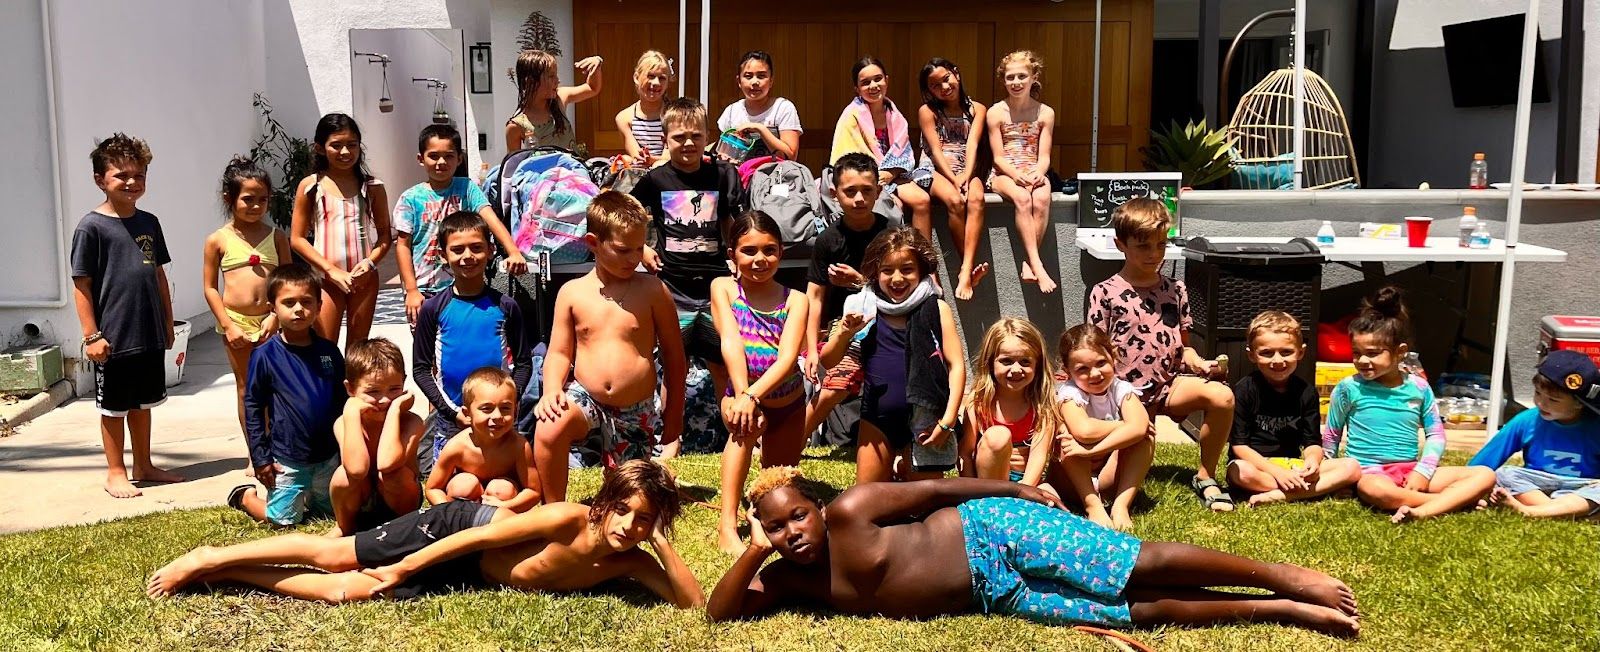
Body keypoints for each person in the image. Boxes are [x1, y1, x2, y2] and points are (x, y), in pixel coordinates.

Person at [707, 467, 1360, 638]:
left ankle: (1284, 575)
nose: (792, 531)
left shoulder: (851, 512)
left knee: (1134, 564)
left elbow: (934, 488)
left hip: (992, 531)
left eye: (797, 515)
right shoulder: (792, 581)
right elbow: (719, 616)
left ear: (817, 509)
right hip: (995, 589)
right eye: (777, 527)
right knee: (1128, 612)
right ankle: (1283, 608)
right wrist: (751, 554)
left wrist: (1014, 486)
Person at [149, 460, 702, 608]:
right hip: (459, 528)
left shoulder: (632, 560)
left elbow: (693, 604)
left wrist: (659, 540)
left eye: (645, 520)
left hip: (474, 578)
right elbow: (476, 541)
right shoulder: (568, 518)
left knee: (352, 592)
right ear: (604, 504)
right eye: (625, 511)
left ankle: (227, 573)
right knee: (340, 557)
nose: (629, 527)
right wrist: (404, 565)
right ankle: (211, 553)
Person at [533, 192, 686, 503]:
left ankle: (639, 477)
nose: (633, 258)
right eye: (622, 250)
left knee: (632, 500)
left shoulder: (654, 291)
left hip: (635, 409)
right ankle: (553, 511)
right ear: (593, 243)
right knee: (550, 427)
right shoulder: (572, 292)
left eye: (639, 249)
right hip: (586, 398)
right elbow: (559, 353)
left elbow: (675, 358)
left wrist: (673, 418)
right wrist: (551, 389)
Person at [1087, 197, 1235, 513]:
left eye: (1161, 244)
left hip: (1169, 386)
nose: (1154, 254)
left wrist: (1200, 364)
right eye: (1143, 246)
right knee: (1111, 489)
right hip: (1126, 397)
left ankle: (1206, 476)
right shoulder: (1104, 292)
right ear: (1120, 244)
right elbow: (1095, 350)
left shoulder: (1175, 289)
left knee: (1222, 397)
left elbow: (1184, 346)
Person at [1322, 287, 1496, 523]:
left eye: (1372, 353)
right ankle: (1450, 502)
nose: (1362, 360)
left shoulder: (1419, 388)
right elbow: (1332, 435)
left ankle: (1424, 508)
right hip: (1370, 474)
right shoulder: (1348, 388)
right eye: (1356, 353)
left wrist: (1422, 472)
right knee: (1374, 490)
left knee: (1485, 475)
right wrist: (1333, 478)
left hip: (1411, 470)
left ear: (1400, 352)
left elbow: (1436, 435)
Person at [70, 133, 182, 498]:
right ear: (100, 180)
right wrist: (91, 335)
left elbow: (159, 275)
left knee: (144, 403)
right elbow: (81, 285)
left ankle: (144, 464)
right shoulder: (91, 227)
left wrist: (168, 323)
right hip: (113, 337)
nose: (132, 182)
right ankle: (115, 471)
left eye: (139, 175)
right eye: (122, 175)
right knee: (115, 407)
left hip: (148, 332)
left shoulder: (149, 222)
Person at [629, 96, 742, 427]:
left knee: (723, 363)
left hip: (716, 286)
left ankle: (735, 429)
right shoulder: (656, 179)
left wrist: (735, 253)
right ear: (666, 140)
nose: (689, 143)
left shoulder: (724, 174)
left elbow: (733, 221)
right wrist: (642, 250)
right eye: (679, 137)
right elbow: (628, 216)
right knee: (674, 366)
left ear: (708, 137)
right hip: (672, 286)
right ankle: (671, 438)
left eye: (696, 135)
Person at [820, 228, 965, 484]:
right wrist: (844, 333)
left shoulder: (936, 308)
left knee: (926, 504)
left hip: (926, 418)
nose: (897, 278)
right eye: (887, 270)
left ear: (922, 271)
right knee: (869, 499)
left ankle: (907, 470)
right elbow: (829, 361)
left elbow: (956, 366)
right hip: (878, 418)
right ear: (875, 272)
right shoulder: (863, 308)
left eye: (907, 269)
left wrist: (948, 420)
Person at [710, 211, 810, 554]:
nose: (759, 259)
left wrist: (753, 394)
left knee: (776, 484)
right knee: (746, 425)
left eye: (769, 250)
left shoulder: (796, 299)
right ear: (732, 255)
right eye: (749, 251)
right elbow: (731, 342)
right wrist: (744, 396)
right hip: (740, 395)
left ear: (781, 253)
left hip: (788, 401)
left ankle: (762, 519)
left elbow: (787, 358)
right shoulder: (724, 288)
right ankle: (726, 525)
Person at [412, 212, 533, 477]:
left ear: (490, 251)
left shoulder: (506, 306)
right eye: (457, 249)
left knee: (501, 489)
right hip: (452, 422)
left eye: (477, 248)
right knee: (458, 490)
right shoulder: (433, 309)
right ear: (443, 255)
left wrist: (509, 402)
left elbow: (524, 363)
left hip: (497, 422)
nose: (467, 256)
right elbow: (421, 369)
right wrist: (450, 412)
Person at [228, 264, 345, 526]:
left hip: (328, 457)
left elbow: (343, 402)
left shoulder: (329, 352)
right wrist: (260, 457)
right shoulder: (264, 355)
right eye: (288, 302)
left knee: (329, 514)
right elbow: (254, 407)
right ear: (273, 307)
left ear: (318, 305)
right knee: (283, 521)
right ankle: (246, 498)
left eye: (306, 302)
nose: (298, 309)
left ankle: (312, 496)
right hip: (287, 458)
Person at [800, 153, 899, 440]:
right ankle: (791, 446)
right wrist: (813, 349)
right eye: (850, 191)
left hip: (890, 324)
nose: (859, 199)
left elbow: (906, 288)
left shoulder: (891, 235)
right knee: (834, 386)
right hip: (845, 329)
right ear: (834, 194)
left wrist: (859, 281)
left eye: (867, 191)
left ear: (879, 192)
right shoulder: (828, 240)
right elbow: (814, 298)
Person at [202, 156, 291, 474]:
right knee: (247, 388)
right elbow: (211, 288)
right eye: (247, 199)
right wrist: (227, 326)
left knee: (276, 387)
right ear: (230, 198)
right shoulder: (218, 240)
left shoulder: (277, 237)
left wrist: (276, 317)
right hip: (236, 323)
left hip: (270, 321)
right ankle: (256, 453)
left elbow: (287, 284)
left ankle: (279, 447)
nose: (256, 206)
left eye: (262, 200)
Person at [394, 124, 526, 325]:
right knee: (428, 348)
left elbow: (490, 219)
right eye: (434, 156)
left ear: (459, 158)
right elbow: (403, 246)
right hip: (424, 288)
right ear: (421, 159)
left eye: (448, 156)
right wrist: (411, 290)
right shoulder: (410, 198)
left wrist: (513, 251)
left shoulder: (466, 188)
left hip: (464, 286)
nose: (441, 162)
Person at [1227, 311, 1361, 507]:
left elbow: (1312, 442)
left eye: (1286, 352)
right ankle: (1312, 490)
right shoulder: (1243, 390)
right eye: (1266, 353)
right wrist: (1277, 472)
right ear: (1251, 355)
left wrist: (1313, 462)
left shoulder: (1306, 392)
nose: (1278, 360)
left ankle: (1282, 494)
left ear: (1301, 352)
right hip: (1257, 465)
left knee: (1352, 467)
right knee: (1239, 472)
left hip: (1291, 464)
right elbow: (1239, 446)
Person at [289, 113, 391, 352]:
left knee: (358, 347)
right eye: (336, 145)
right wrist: (330, 271)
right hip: (325, 279)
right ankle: (327, 390)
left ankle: (353, 389)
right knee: (324, 346)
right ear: (320, 148)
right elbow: (297, 239)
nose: (345, 152)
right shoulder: (311, 186)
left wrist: (370, 264)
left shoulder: (373, 187)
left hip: (363, 279)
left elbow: (385, 235)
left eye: (352, 145)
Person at [1474, 349, 1600, 519]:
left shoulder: (1595, 425)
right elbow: (1481, 466)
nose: (1541, 403)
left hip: (1581, 487)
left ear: (1580, 404)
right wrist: (1470, 491)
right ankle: (1566, 512)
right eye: (1537, 393)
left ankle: (1532, 512)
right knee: (1504, 474)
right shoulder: (1527, 420)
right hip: (1535, 486)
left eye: (1553, 400)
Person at [1056, 324, 1155, 531]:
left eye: (1101, 363)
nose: (1095, 374)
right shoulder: (1070, 394)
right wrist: (1124, 425)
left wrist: (1092, 449)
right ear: (1067, 371)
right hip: (1073, 483)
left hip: (1108, 478)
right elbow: (1084, 430)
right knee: (1068, 438)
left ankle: (1120, 505)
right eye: (1082, 369)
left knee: (1145, 438)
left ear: (1113, 356)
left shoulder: (1120, 388)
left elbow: (1139, 429)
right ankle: (1093, 506)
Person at [327, 337, 425, 537]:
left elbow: (387, 464)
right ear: (350, 389)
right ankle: (345, 528)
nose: (385, 400)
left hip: (400, 504)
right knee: (342, 477)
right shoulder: (344, 422)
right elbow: (356, 469)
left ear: (404, 383)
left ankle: (403, 530)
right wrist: (352, 413)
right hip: (360, 500)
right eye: (373, 391)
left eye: (394, 390)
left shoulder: (412, 423)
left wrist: (395, 411)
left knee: (393, 475)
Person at [830, 56, 933, 240]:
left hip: (893, 174)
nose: (873, 86)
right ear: (857, 88)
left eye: (878, 79)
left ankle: (924, 261)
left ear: (887, 79)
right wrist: (877, 176)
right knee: (893, 205)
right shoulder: (851, 116)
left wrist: (891, 173)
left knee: (922, 200)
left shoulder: (894, 114)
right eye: (865, 82)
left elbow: (903, 152)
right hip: (865, 178)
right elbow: (847, 157)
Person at [915, 57, 989, 300]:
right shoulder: (928, 111)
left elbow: (973, 144)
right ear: (929, 91)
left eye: (946, 79)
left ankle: (966, 269)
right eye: (935, 85)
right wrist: (954, 179)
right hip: (936, 170)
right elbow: (935, 151)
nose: (944, 87)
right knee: (956, 202)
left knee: (977, 197)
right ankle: (966, 269)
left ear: (956, 74)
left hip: (967, 169)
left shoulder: (978, 109)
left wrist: (966, 176)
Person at [960, 319, 1061, 494]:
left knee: (1051, 496)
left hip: (1026, 481)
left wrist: (1023, 492)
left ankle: (1011, 506)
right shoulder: (978, 402)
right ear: (990, 362)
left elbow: (1038, 456)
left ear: (1038, 364)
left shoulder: (1041, 405)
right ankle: (994, 503)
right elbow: (965, 454)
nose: (1016, 369)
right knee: (998, 436)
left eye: (1025, 362)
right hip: (986, 482)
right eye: (1006, 361)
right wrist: (969, 493)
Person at [986, 50, 1058, 295]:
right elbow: (997, 156)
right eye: (1010, 78)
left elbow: (1044, 155)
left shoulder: (1045, 113)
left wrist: (1039, 172)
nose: (1015, 83)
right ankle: (1037, 263)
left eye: (1021, 76)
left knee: (1041, 197)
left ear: (1033, 77)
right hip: (1004, 174)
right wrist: (1015, 174)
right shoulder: (996, 112)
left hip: (1032, 169)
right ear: (1003, 80)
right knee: (1022, 198)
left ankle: (1029, 263)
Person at [425, 368, 540, 511]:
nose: (497, 416)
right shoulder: (457, 446)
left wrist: (504, 506)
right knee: (462, 487)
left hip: (503, 508)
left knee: (501, 489)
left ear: (515, 412)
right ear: (467, 414)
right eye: (487, 409)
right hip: (465, 508)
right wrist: (448, 511)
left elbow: (534, 491)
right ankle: (463, 526)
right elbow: (432, 488)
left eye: (505, 408)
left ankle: (500, 530)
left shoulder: (518, 446)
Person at [505, 50, 603, 152]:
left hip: (573, 167)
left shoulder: (559, 99)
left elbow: (592, 88)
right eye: (551, 76)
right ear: (530, 81)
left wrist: (596, 63)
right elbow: (513, 164)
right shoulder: (516, 126)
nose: (558, 80)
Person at [716, 50, 802, 161]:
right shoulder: (731, 112)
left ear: (771, 80)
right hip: (738, 176)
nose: (755, 82)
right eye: (748, 76)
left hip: (775, 176)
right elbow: (723, 155)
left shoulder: (783, 108)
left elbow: (790, 156)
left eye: (761, 76)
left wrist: (760, 129)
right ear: (739, 81)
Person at [613, 50, 672, 167]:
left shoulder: (673, 114)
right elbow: (636, 155)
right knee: (625, 160)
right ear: (636, 77)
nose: (656, 83)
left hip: (667, 169)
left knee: (660, 165)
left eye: (662, 78)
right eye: (650, 76)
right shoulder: (624, 118)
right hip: (639, 169)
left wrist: (654, 161)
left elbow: (669, 156)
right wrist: (644, 159)